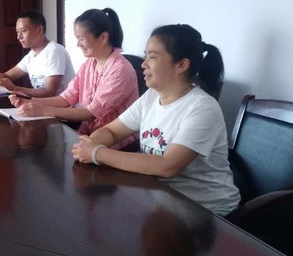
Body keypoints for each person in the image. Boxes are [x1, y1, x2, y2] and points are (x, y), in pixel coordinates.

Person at [72, 24, 240, 216]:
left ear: (181, 65)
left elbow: (167, 166)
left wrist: (97, 153)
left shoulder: (202, 108)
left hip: (206, 210)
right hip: (160, 198)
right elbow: (112, 131)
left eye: (152, 57)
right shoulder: (151, 96)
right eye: (146, 56)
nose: (144, 64)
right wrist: (92, 142)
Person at [9, 8, 138, 149]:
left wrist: (42, 110)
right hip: (89, 136)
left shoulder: (120, 69)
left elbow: (91, 113)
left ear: (103, 37)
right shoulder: (89, 64)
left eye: (81, 38)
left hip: (115, 145)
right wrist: (29, 101)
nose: (78, 44)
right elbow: (66, 98)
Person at [0, 10, 74, 97]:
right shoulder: (31, 56)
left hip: (63, 112)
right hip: (45, 107)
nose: (19, 37)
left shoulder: (54, 52)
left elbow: (49, 92)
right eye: (17, 31)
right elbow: (6, 76)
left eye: (23, 31)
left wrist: (14, 88)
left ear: (39, 30)